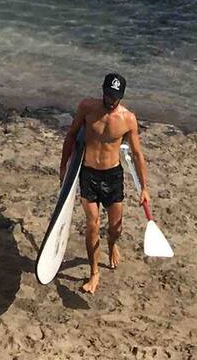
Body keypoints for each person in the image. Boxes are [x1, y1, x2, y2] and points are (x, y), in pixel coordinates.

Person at [60, 72, 148, 294]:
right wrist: (64, 168)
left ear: (121, 96)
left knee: (115, 228)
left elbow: (137, 154)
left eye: (115, 97)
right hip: (88, 174)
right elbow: (71, 136)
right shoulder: (87, 108)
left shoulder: (128, 119)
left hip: (112, 176)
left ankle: (112, 244)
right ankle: (94, 273)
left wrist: (144, 188)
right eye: (108, 95)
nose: (111, 100)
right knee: (92, 224)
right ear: (103, 91)